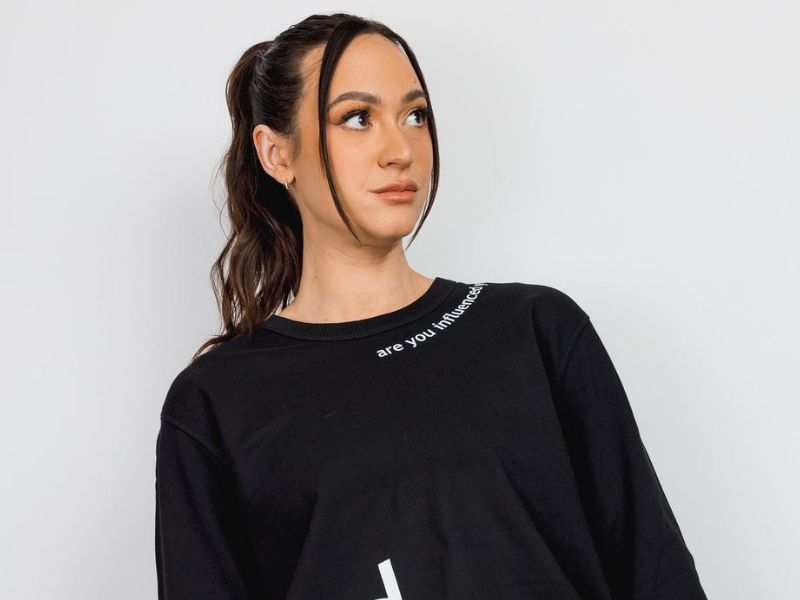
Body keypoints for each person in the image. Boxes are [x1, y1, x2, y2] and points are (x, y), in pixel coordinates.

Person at [154, 12, 708, 600]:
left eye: (415, 116)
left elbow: (657, 574)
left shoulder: (536, 332)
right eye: (357, 118)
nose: (401, 150)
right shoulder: (217, 403)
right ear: (276, 154)